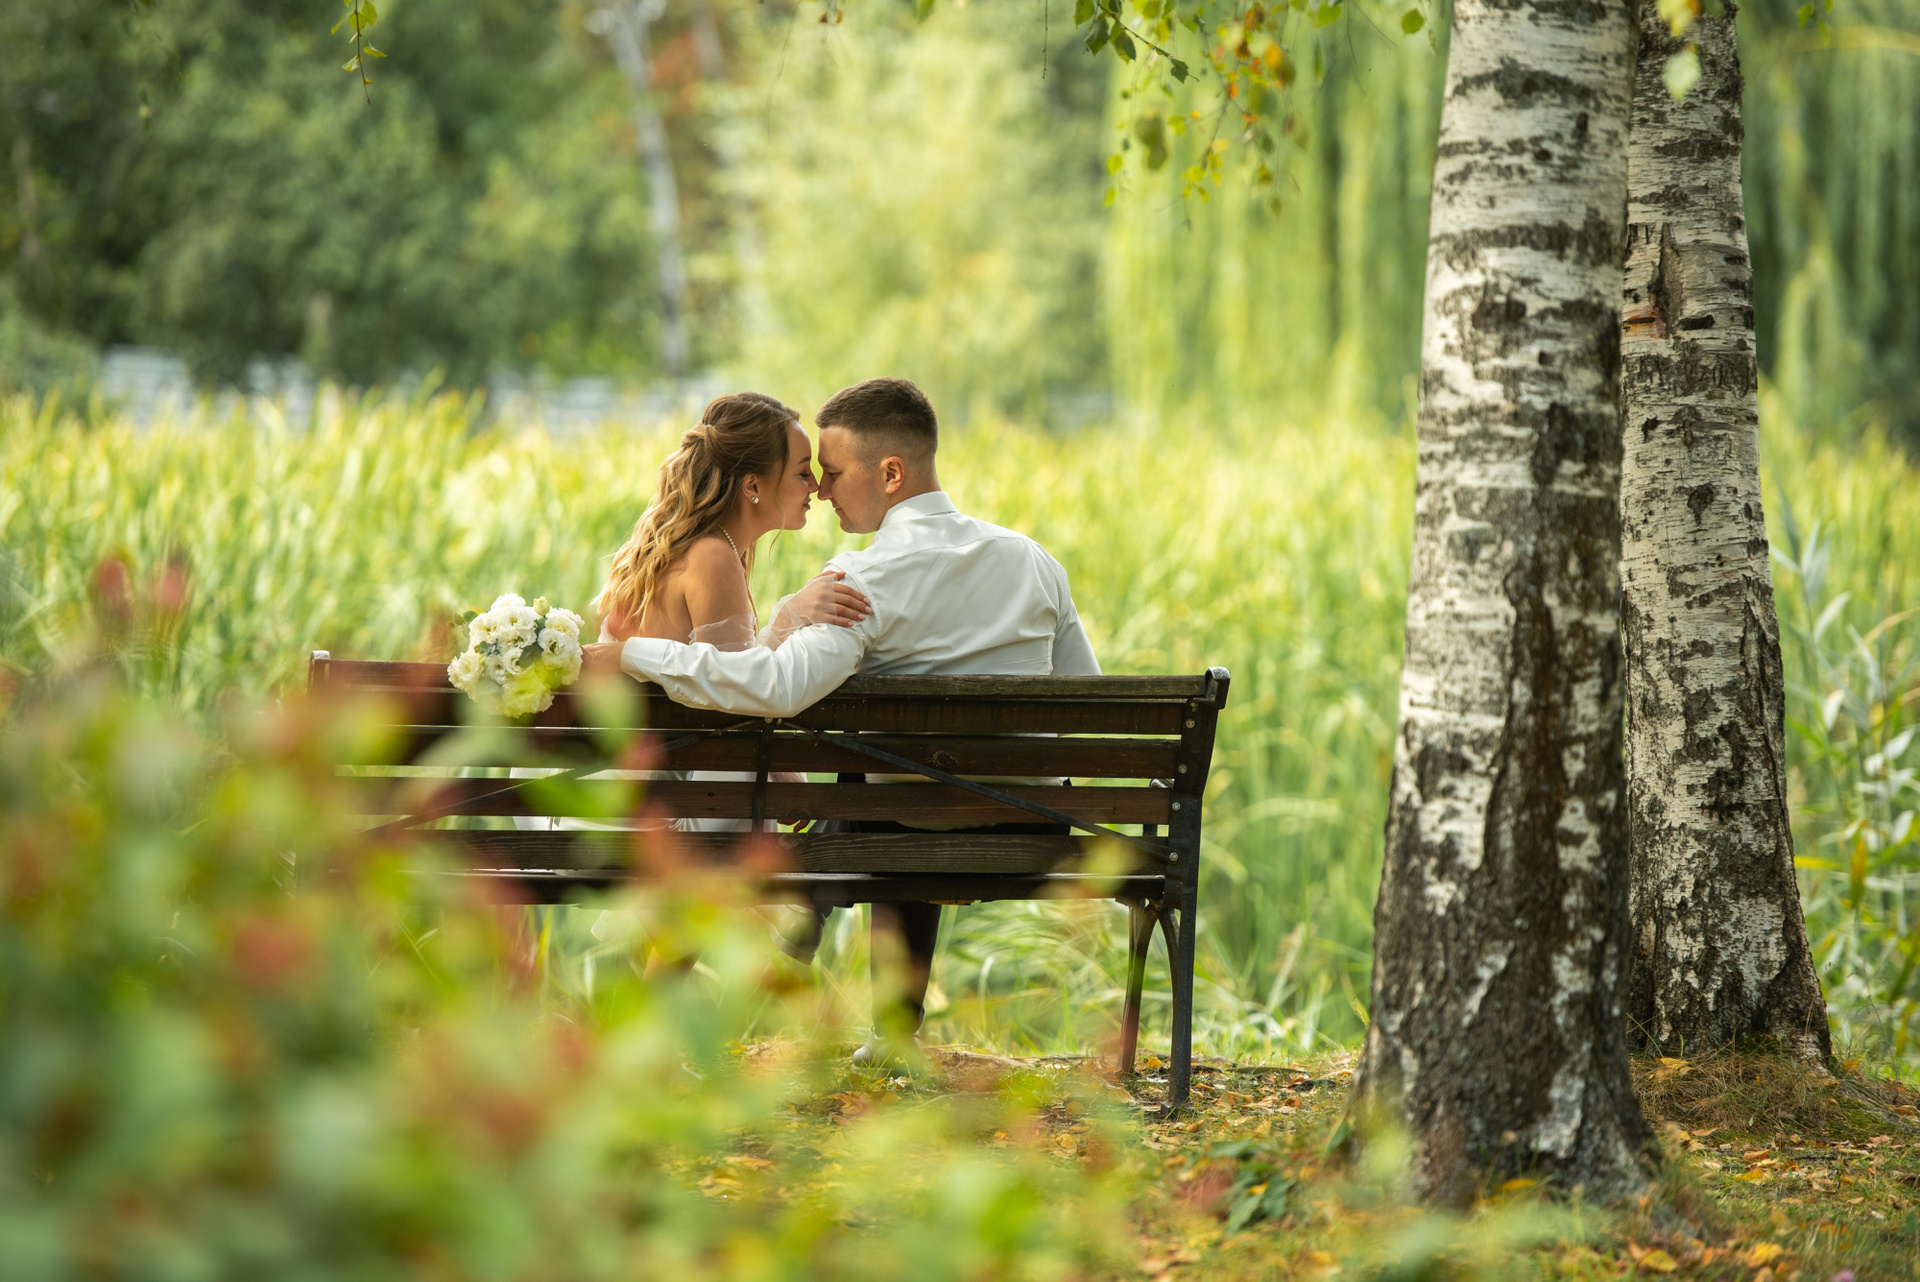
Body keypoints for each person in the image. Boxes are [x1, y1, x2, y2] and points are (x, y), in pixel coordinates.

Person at [583, 377, 1101, 1063]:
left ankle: (819, 947)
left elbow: (774, 686)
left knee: (884, 793)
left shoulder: (861, 580)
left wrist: (632, 654)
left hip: (898, 826)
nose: (822, 491)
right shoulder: (1034, 561)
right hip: (1031, 823)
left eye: (831, 473)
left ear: (891, 474)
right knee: (893, 788)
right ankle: (882, 1020)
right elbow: (1088, 698)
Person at [518, 391, 870, 839]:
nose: (817, 488)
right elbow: (734, 696)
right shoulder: (712, 556)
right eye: (803, 472)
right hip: (645, 821)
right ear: (753, 486)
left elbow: (724, 679)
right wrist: (781, 767)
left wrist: (790, 615)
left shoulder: (680, 547)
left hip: (593, 795)